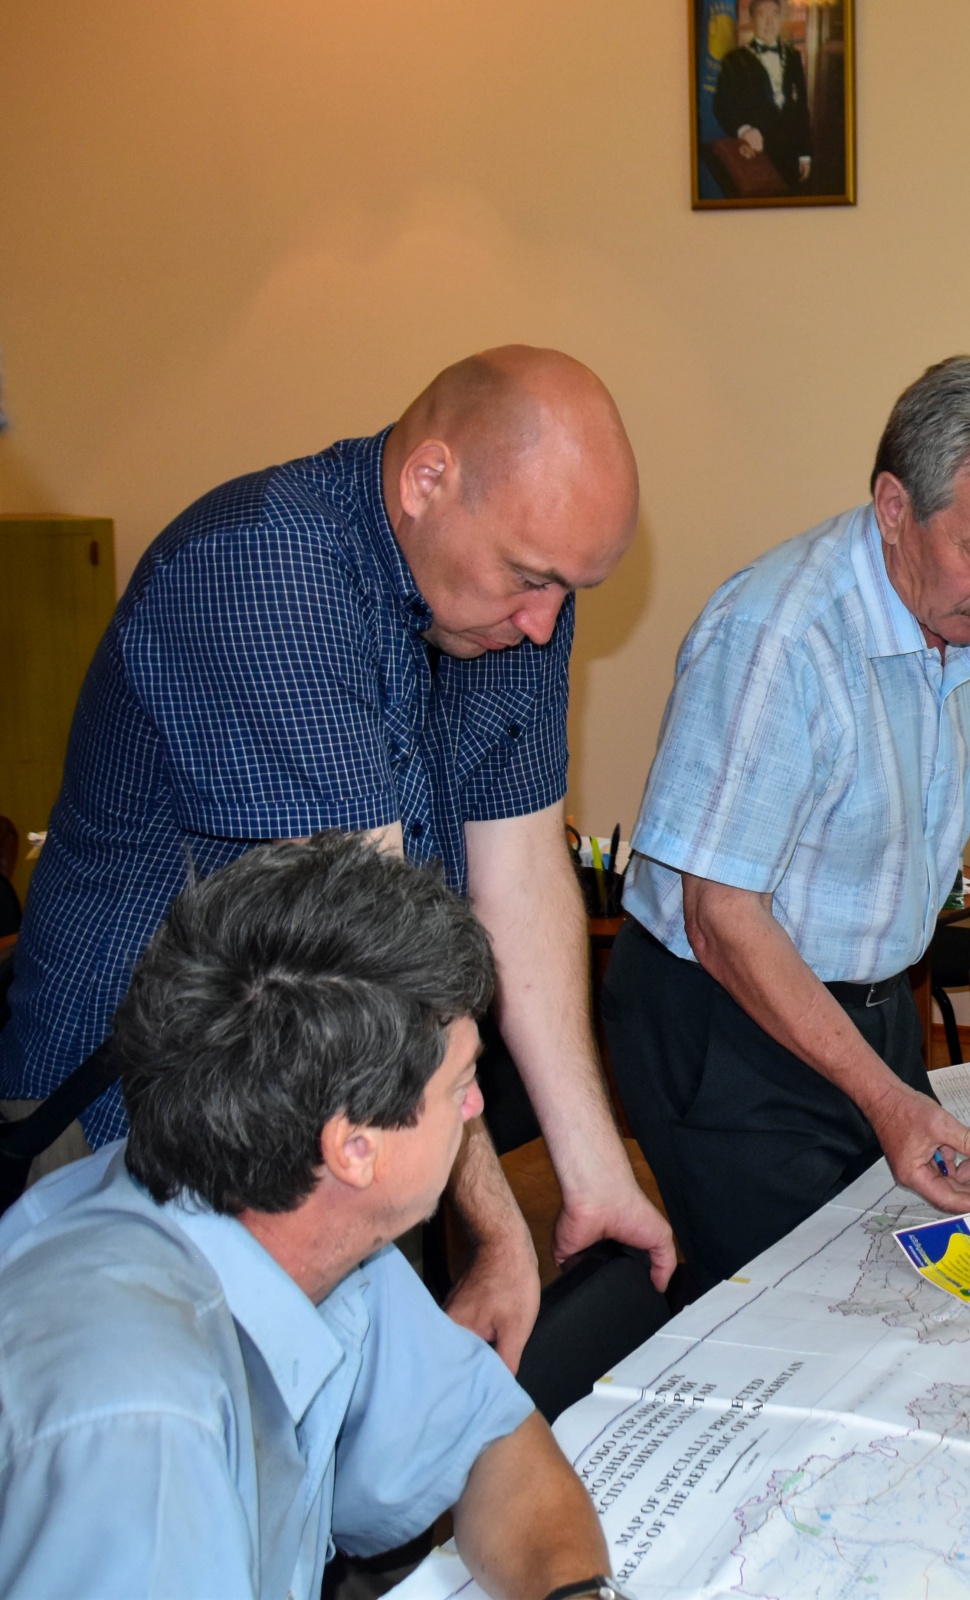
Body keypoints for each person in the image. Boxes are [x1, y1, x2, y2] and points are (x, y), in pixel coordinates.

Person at [0, 346, 676, 1368]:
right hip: (131, 1131)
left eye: (569, 588)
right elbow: (376, 960)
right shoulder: (267, 571)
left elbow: (523, 870)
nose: (544, 623)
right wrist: (499, 1230)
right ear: (427, 480)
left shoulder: (507, 607)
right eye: (532, 578)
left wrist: (595, 1173)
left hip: (331, 1108)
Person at [0, 836, 620, 1600]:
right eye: (461, 1084)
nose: (476, 1107)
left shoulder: (304, 1224)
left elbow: (489, 1444)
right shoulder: (137, 1421)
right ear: (355, 1148)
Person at [607, 355, 970, 1281]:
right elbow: (721, 918)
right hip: (727, 1018)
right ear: (893, 507)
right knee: (802, 1298)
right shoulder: (778, 638)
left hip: (873, 1008)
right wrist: (886, 1100)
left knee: (930, 1271)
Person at [713, 0, 813, 191]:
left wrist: (805, 154)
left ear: (780, 18)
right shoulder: (734, 60)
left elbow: (801, 110)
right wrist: (744, 130)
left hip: (791, 158)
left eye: (774, 14)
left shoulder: (793, 57)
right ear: (751, 20)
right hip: (756, 156)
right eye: (762, 15)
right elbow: (721, 105)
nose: (769, 22)